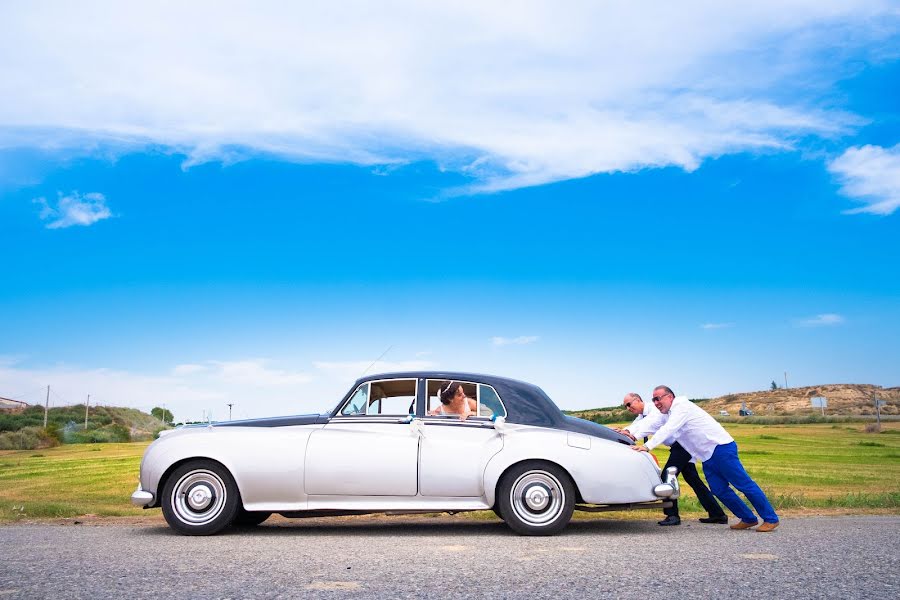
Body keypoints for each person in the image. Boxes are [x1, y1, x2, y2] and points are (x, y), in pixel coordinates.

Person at [633, 385, 780, 532]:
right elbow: (651, 425)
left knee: (744, 484)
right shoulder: (667, 414)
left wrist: (648, 446)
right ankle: (748, 518)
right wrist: (630, 433)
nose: (656, 403)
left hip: (721, 448)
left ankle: (770, 519)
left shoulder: (681, 407)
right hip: (707, 455)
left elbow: (669, 429)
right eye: (653, 399)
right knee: (719, 489)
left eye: (658, 398)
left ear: (670, 397)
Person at [616, 392, 727, 526]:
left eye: (629, 404)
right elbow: (638, 425)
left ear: (638, 400)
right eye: (625, 406)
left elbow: (649, 425)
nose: (628, 408)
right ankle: (717, 514)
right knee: (693, 480)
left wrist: (634, 436)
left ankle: (672, 516)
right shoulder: (642, 415)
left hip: (682, 446)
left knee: (667, 476)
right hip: (680, 447)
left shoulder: (654, 410)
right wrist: (624, 431)